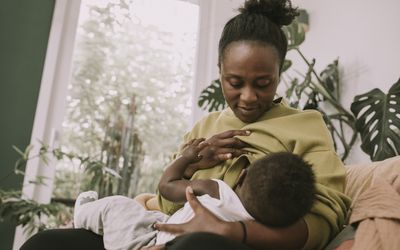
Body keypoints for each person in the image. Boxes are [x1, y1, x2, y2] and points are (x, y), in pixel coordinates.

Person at [20, 0, 351, 249]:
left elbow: (324, 219)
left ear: (281, 71)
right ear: (219, 69)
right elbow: (167, 205)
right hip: (167, 230)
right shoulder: (205, 126)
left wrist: (234, 231)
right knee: (46, 244)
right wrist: (191, 165)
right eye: (235, 82)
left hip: (242, 242)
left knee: (198, 245)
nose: (248, 97)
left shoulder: (306, 125)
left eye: (263, 83)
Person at [72, 138, 315, 249]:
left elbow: (167, 187)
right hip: (161, 228)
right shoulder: (255, 233)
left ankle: (82, 213)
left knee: (117, 205)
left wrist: (186, 158)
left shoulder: (217, 190)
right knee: (144, 213)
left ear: (241, 176)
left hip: (146, 241)